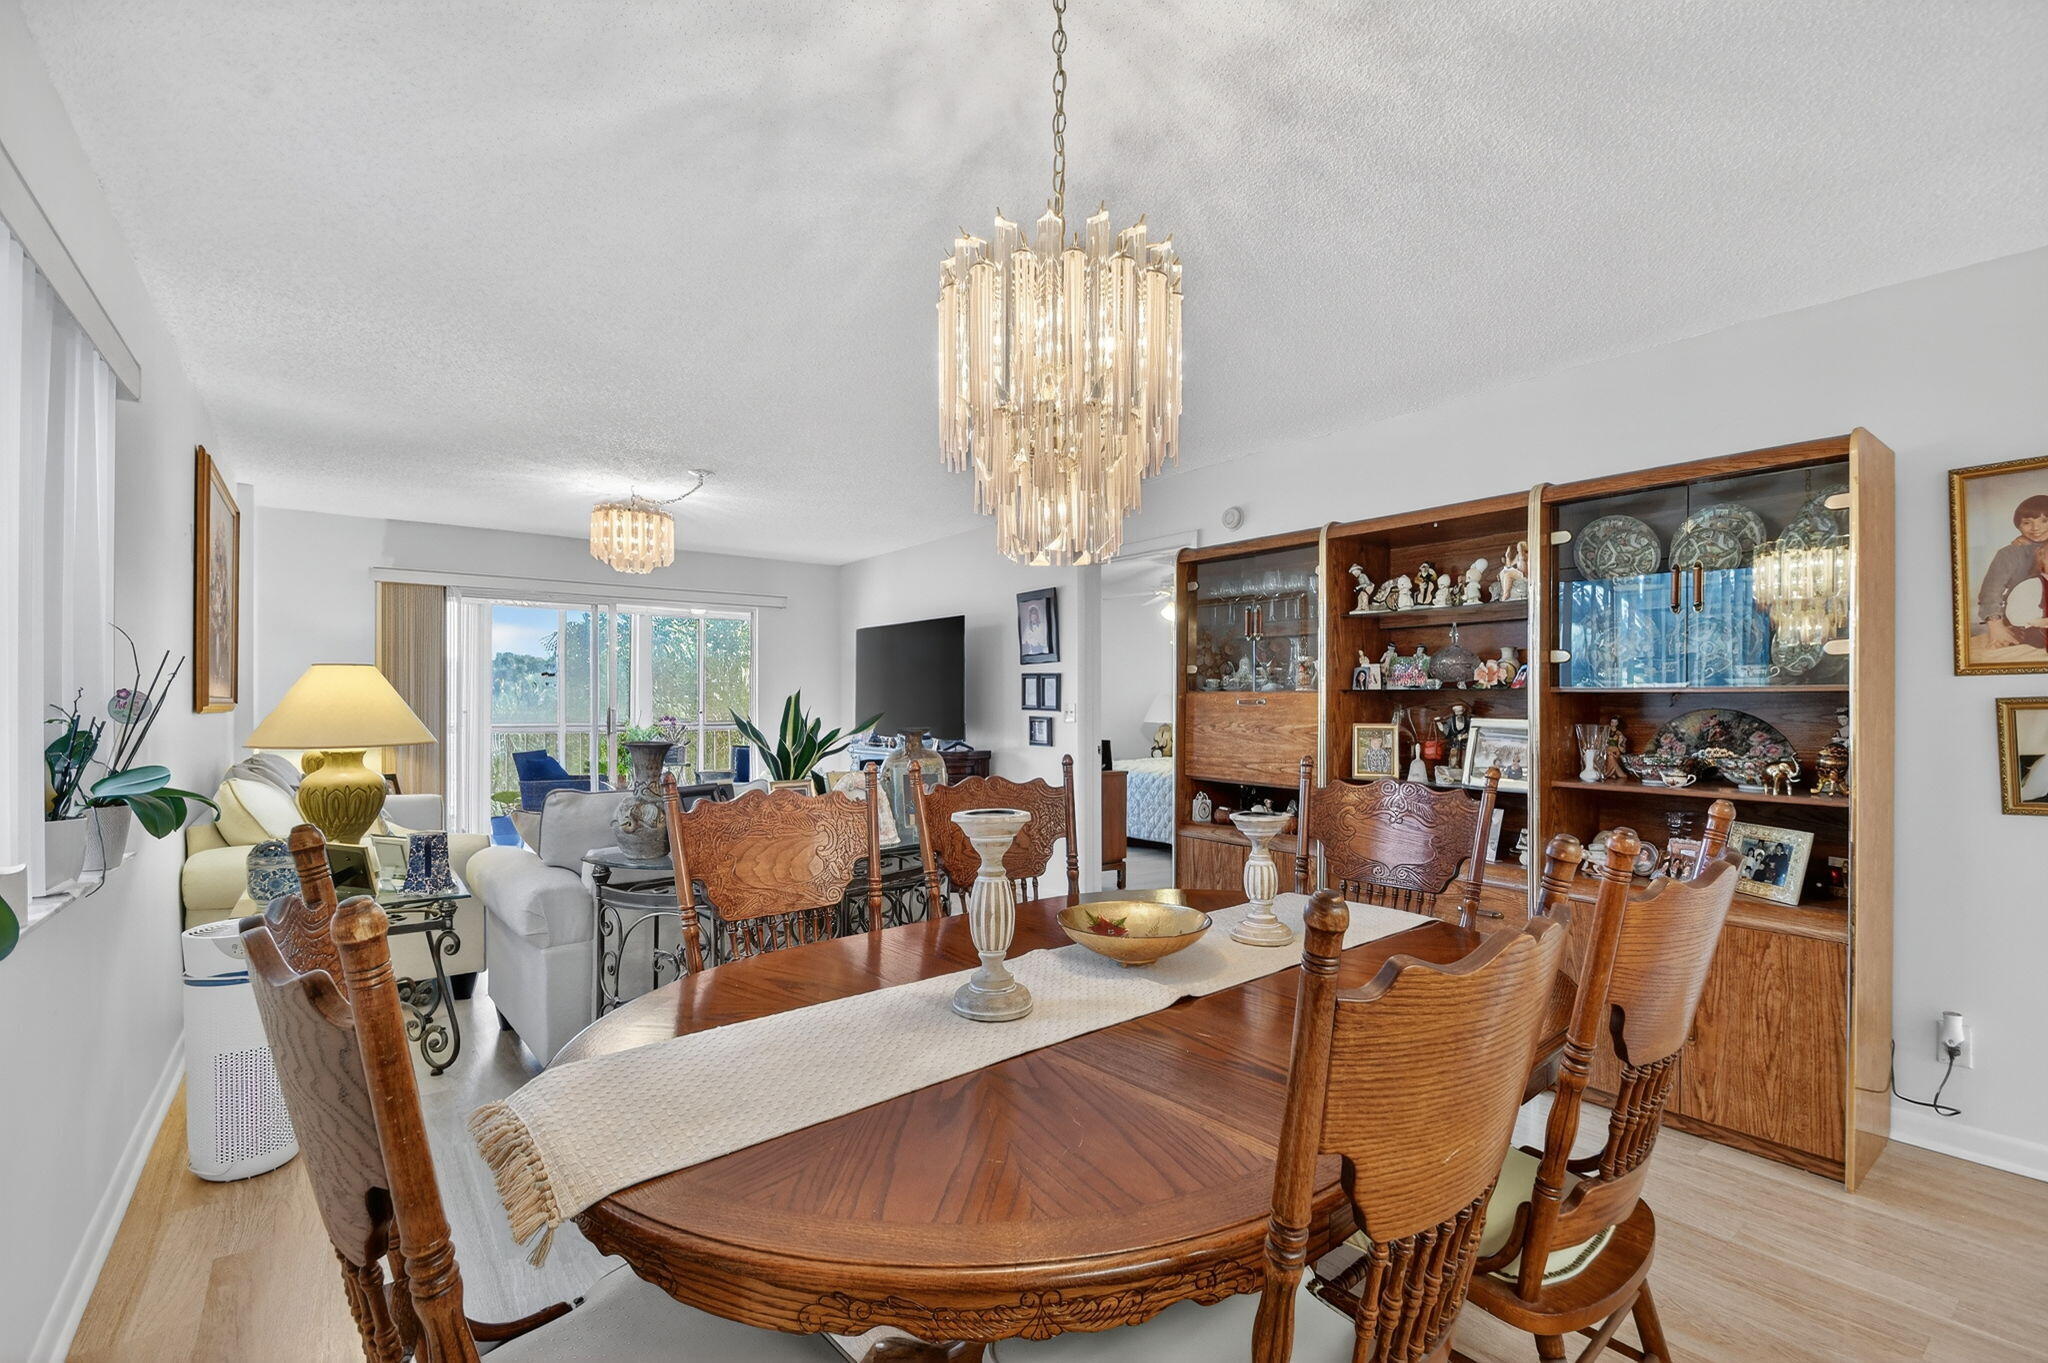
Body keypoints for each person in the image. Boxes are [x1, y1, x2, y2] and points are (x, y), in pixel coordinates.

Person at [1976, 495, 2048, 651]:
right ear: (2018, 525)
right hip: (2024, 619)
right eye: (2027, 522)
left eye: (2044, 521)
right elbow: (1990, 592)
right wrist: (1996, 627)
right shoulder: (2009, 554)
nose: (2036, 528)